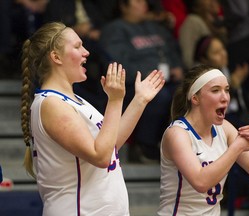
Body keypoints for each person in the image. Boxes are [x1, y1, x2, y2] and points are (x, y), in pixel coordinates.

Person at [20, 21, 165, 215]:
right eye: (78, 46)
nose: (86, 52)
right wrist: (114, 100)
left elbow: (110, 147)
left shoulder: (76, 100)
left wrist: (139, 101)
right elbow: (100, 156)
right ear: (56, 57)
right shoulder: (51, 104)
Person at [157, 64, 249, 215]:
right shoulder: (177, 134)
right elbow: (200, 182)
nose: (225, 97)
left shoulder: (224, 128)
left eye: (227, 90)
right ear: (195, 98)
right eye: (216, 90)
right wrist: (236, 148)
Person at [99, 0, 184, 162]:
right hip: (133, 85)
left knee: (185, 94)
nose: (143, 5)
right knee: (160, 95)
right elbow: (117, 64)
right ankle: (144, 146)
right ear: (123, 6)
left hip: (167, 80)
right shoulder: (115, 29)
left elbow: (173, 51)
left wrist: (177, 67)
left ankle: (178, 145)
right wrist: (149, 75)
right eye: (137, 2)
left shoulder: (156, 28)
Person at [194, 35, 249, 127]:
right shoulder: (200, 79)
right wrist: (233, 87)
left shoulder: (225, 69)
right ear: (204, 59)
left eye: (223, 49)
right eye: (216, 53)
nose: (223, 54)